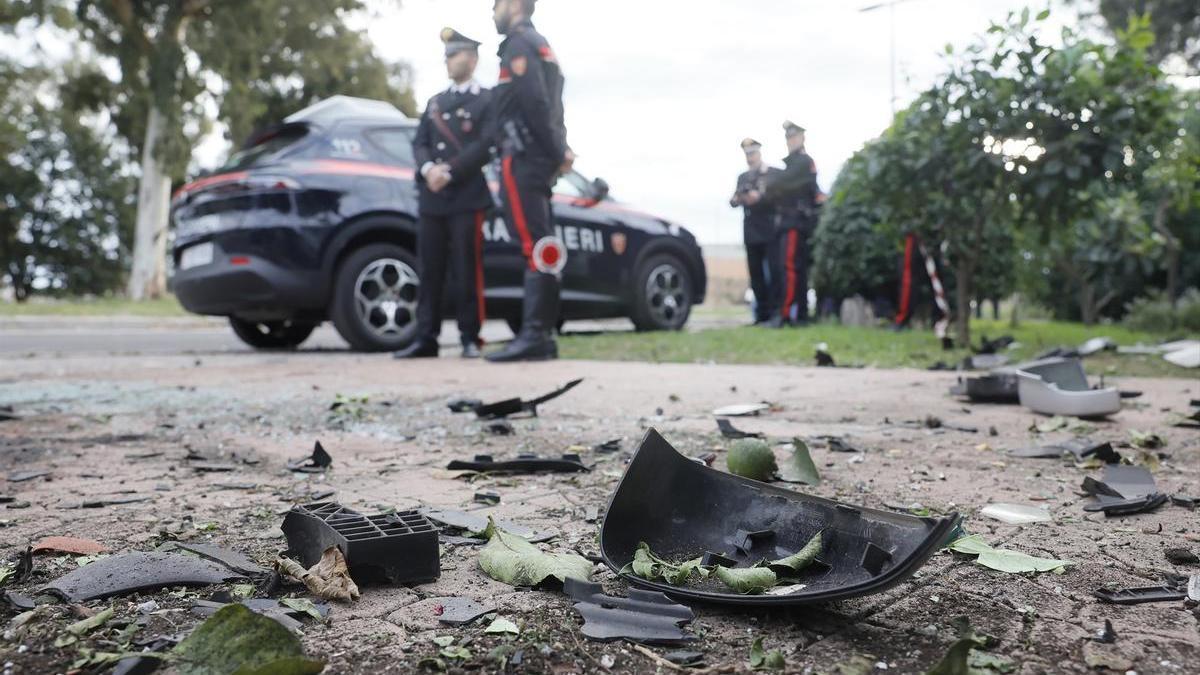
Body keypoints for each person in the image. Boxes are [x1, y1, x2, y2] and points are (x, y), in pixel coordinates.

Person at [395, 28, 496, 359]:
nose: (448, 62)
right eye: (447, 56)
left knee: (467, 268)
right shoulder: (436, 102)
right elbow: (420, 142)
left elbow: (486, 145)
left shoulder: (486, 100)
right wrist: (429, 171)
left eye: (454, 55)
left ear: (472, 57)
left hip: (466, 195)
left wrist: (450, 170)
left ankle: (470, 337)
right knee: (430, 268)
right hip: (432, 197)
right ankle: (426, 337)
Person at [484, 0, 573, 362]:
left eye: (496, 4)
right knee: (544, 246)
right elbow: (555, 107)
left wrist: (556, 150)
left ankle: (534, 335)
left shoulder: (519, 44)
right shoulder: (541, 43)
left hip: (522, 158)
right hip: (539, 158)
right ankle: (543, 335)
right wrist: (560, 148)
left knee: (533, 247)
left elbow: (536, 103)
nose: (492, 12)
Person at [762, 121, 819, 326]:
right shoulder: (793, 165)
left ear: (802, 138)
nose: (790, 141)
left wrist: (773, 182)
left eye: (794, 137)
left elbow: (782, 183)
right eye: (788, 137)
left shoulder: (802, 163)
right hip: (793, 223)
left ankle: (786, 314)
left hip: (794, 222)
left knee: (790, 268)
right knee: (797, 269)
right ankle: (800, 315)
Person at [729, 138, 782, 325]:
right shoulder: (743, 177)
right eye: (747, 154)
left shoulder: (772, 174)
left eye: (752, 153)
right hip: (751, 233)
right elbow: (733, 200)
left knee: (774, 273)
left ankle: (777, 312)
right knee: (756, 276)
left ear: (759, 153)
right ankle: (761, 315)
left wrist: (759, 198)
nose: (750, 158)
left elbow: (777, 198)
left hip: (769, 232)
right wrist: (740, 199)